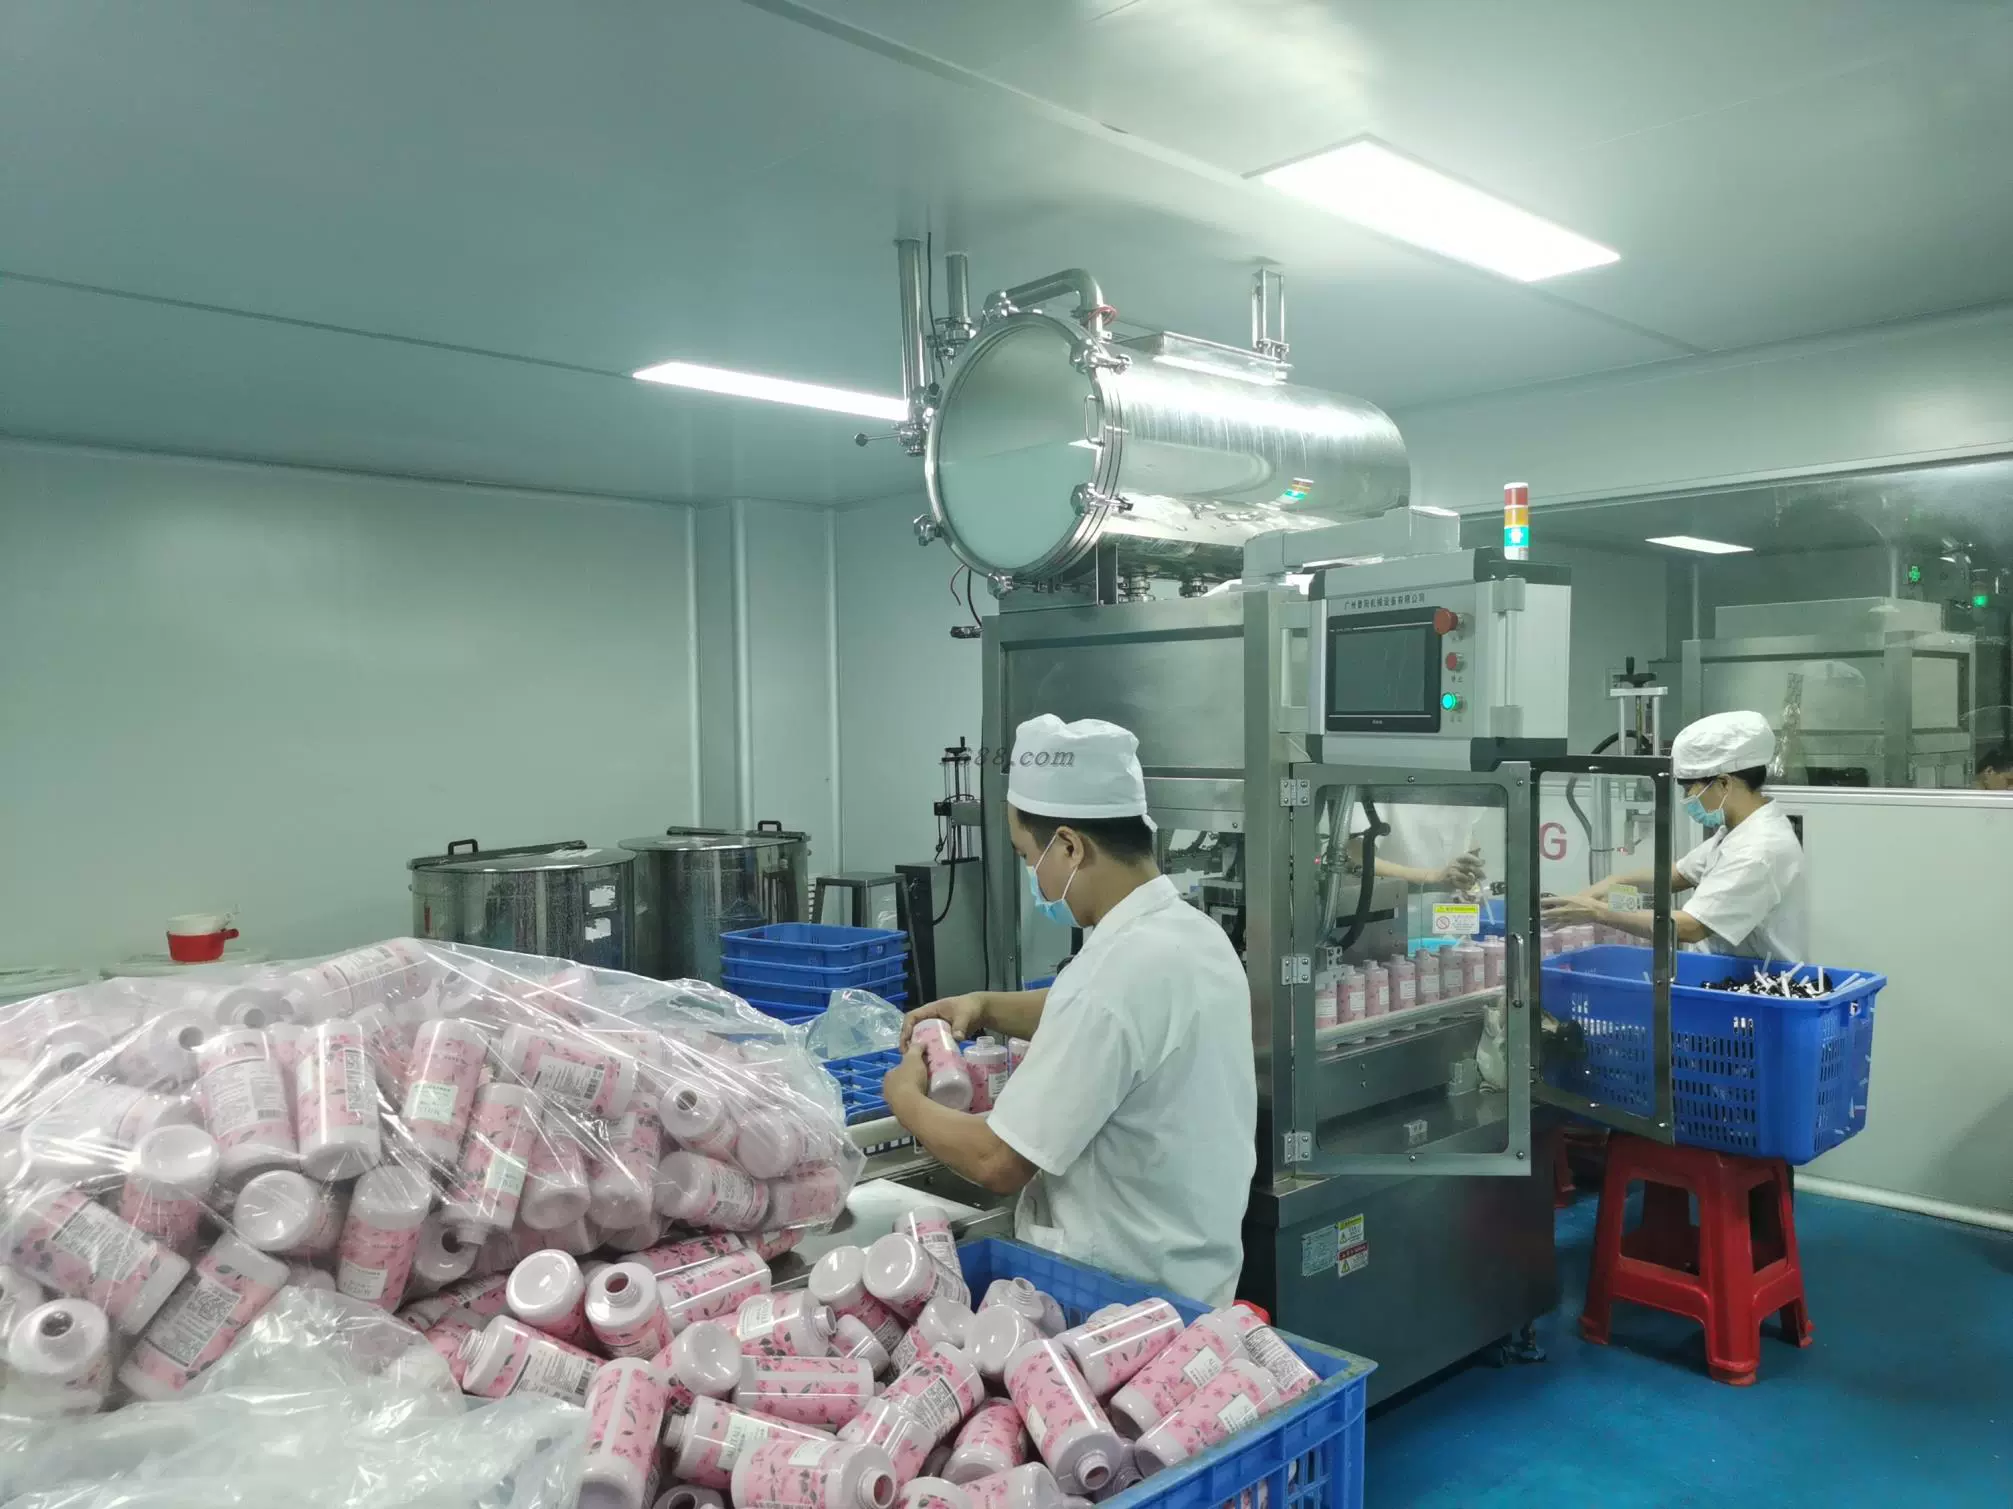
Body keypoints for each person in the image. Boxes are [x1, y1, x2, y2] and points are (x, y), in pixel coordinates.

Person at [882, 714, 1257, 1305]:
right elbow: (1103, 1021)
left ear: (1069, 846)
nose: (1031, 875)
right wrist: (984, 1006)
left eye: (1026, 855)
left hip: (1116, 1298)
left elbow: (998, 1160)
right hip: (1192, 1280)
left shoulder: (1112, 975)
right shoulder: (1191, 934)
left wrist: (905, 1099)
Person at [1541, 710, 1805, 960]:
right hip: (1721, 971)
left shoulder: (1758, 849)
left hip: (1758, 983)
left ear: (1724, 783)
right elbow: (1679, 875)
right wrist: (1613, 882)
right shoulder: (1738, 829)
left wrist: (1597, 912)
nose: (1686, 799)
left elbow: (1691, 927)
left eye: (1690, 789)